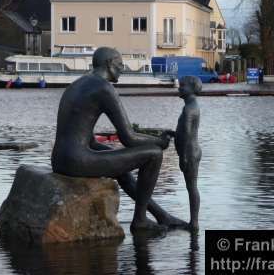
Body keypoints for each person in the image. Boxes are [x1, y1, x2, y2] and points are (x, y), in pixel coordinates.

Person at [51, 47, 187, 232]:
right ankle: (140, 221)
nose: (123, 68)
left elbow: (88, 140)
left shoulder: (79, 84)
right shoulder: (104, 88)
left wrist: (112, 155)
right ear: (109, 64)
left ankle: (161, 215)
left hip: (60, 159)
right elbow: (128, 138)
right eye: (121, 64)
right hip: (76, 160)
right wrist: (158, 142)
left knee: (121, 169)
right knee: (153, 155)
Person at [167, 76, 202, 231]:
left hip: (190, 152)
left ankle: (194, 223)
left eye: (182, 86)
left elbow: (187, 133)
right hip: (190, 151)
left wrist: (184, 157)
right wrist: (172, 133)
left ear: (191, 88)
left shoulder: (189, 108)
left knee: (191, 187)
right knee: (191, 187)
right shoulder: (190, 106)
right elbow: (183, 132)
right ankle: (193, 222)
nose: (179, 88)